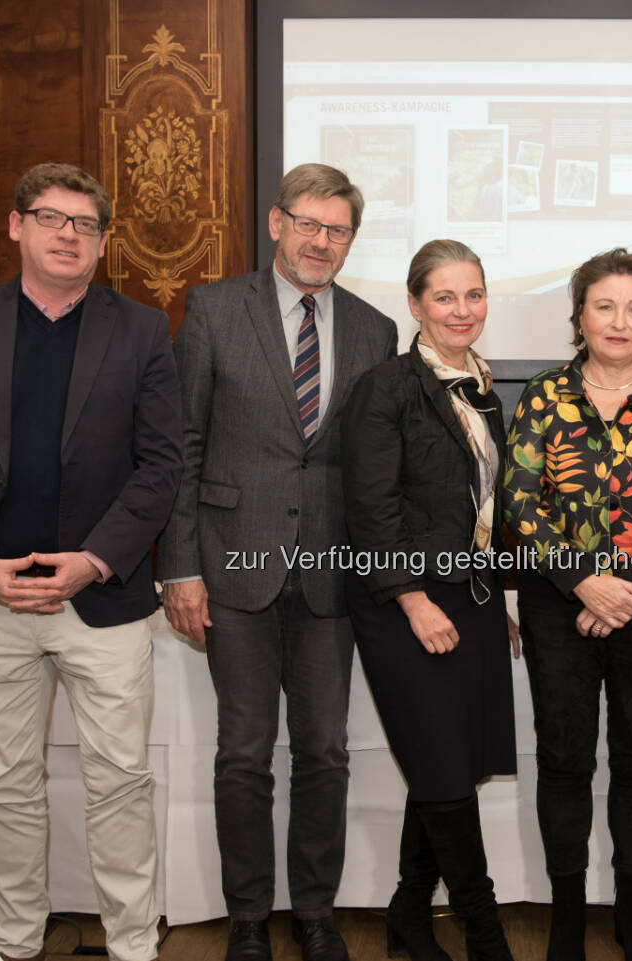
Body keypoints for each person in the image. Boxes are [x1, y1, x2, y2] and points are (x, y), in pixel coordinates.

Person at [0, 162, 184, 961]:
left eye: (86, 225)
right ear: (15, 225)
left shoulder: (141, 329)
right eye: (52, 218)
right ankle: (13, 947)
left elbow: (162, 464)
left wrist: (95, 560)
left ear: (102, 242)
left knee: (121, 784)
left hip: (102, 599)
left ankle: (133, 946)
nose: (69, 235)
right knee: (7, 790)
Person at [156, 163, 397, 961]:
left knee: (326, 749)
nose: (322, 241)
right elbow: (183, 447)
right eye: (310, 224)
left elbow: (368, 464)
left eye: (339, 230)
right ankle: (249, 916)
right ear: (276, 223)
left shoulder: (373, 328)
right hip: (232, 568)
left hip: (332, 576)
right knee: (244, 752)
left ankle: (317, 911)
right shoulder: (215, 309)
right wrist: (179, 566)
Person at [502, 248, 632, 961]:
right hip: (557, 600)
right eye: (604, 306)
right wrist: (581, 582)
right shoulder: (541, 394)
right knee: (563, 760)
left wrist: (627, 590)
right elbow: (520, 499)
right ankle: (566, 918)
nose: (619, 321)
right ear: (580, 315)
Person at [341, 239, 519, 961]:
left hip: (468, 597)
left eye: (472, 294)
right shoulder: (385, 388)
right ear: (414, 305)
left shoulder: (480, 388)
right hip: (402, 600)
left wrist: (494, 594)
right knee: (444, 764)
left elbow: (483, 505)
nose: (461, 309)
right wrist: (413, 599)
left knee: (444, 758)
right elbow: (370, 507)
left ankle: (410, 912)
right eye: (444, 296)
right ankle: (484, 928)